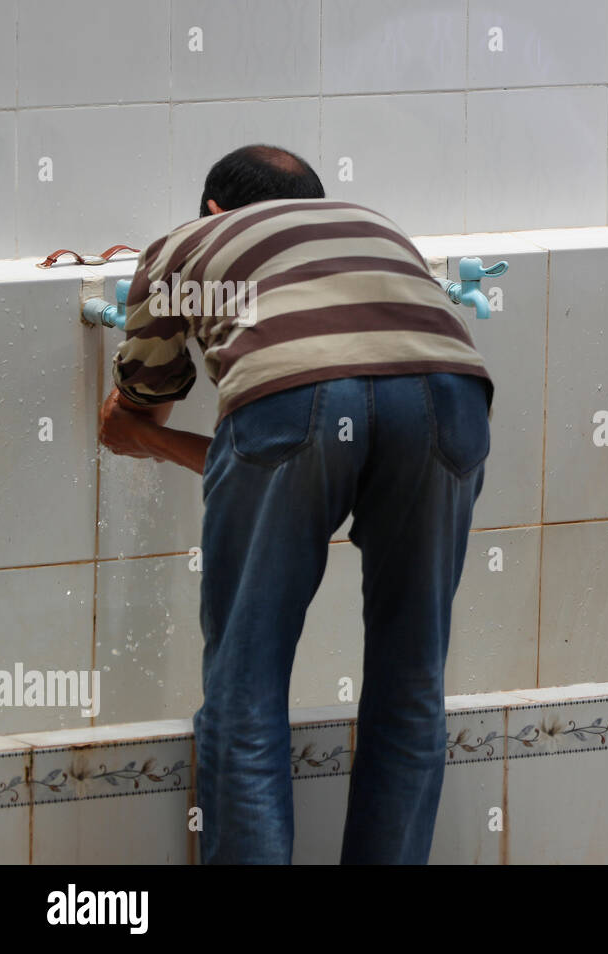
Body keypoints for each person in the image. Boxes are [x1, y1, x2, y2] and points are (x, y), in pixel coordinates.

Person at [98, 144, 493, 864]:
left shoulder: (182, 245)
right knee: (411, 685)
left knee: (244, 690)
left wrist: (130, 428)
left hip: (295, 398)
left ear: (214, 209)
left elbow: (148, 404)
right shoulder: (374, 227)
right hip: (452, 395)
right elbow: (263, 444)